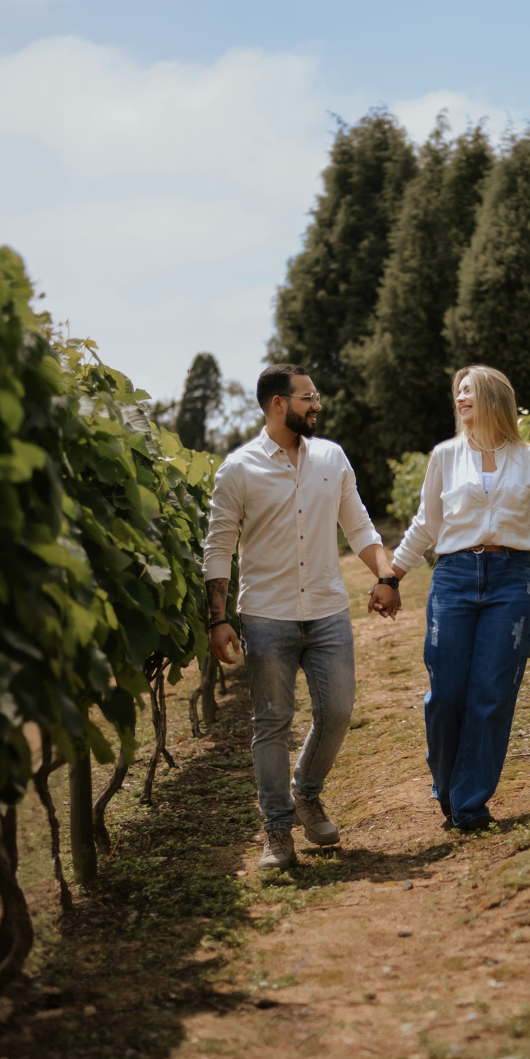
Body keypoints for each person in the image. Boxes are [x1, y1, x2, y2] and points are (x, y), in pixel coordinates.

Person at [203, 363, 401, 871]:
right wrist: (217, 619)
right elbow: (219, 549)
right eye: (308, 398)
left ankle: (306, 792)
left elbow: (358, 525)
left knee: (336, 713)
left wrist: (387, 576)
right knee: (271, 723)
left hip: (328, 609)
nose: (317, 405)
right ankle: (276, 829)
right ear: (277, 404)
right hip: (266, 617)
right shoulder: (238, 469)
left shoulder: (332, 458)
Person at [378, 365, 530, 833]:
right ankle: (448, 783)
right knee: (447, 693)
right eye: (458, 393)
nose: (461, 400)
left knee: (492, 693)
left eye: (469, 392)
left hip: (512, 579)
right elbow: (426, 523)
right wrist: (392, 575)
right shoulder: (445, 455)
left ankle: (469, 802)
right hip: (455, 577)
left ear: (493, 399)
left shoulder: (529, 457)